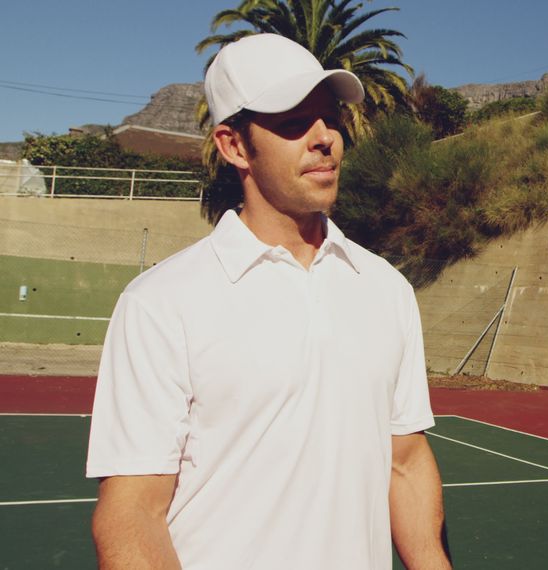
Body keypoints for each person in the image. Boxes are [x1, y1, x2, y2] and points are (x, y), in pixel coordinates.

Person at [86, 34, 452, 569]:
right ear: (235, 146)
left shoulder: (387, 289)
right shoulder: (160, 302)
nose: (324, 138)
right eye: (291, 124)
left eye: (329, 118)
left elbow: (406, 462)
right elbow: (132, 509)